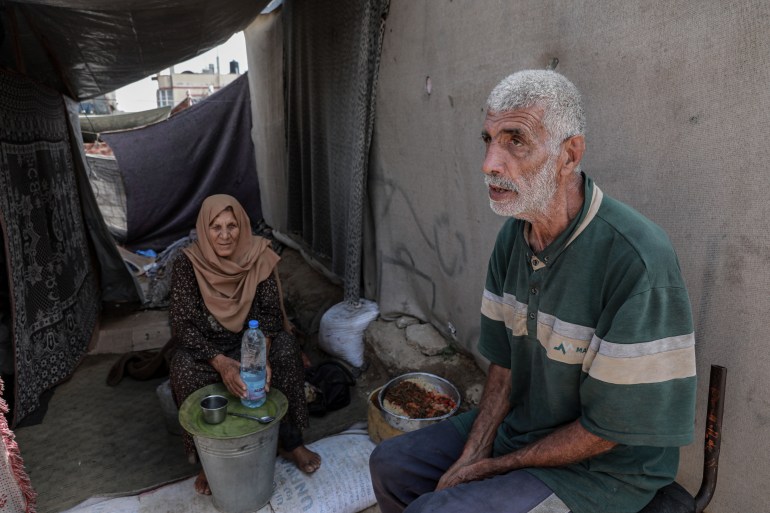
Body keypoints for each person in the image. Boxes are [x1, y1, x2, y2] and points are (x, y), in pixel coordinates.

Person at [369, 70, 697, 513]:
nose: (489, 163)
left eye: (514, 140)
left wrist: (493, 467)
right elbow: (504, 366)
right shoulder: (514, 238)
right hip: (525, 428)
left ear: (569, 154)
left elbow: (608, 430)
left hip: (608, 471)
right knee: (392, 463)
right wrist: (472, 453)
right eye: (487, 139)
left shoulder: (636, 259)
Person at [169, 194, 321, 495]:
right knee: (183, 367)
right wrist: (221, 363)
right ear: (204, 229)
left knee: (287, 349)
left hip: (251, 342)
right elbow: (182, 326)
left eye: (232, 226)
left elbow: (269, 313)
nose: (225, 235)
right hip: (210, 349)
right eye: (216, 227)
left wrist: (260, 356)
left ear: (242, 226)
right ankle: (207, 460)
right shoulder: (188, 265)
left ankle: (291, 442)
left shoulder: (257, 255)